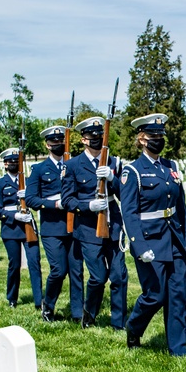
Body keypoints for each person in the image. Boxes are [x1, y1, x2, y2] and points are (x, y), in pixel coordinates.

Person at [120, 114, 186, 356]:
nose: (158, 141)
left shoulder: (171, 167)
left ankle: (178, 349)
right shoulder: (133, 171)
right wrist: (139, 246)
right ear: (142, 140)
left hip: (173, 239)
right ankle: (134, 327)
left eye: (161, 136)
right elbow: (129, 213)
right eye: (153, 137)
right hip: (149, 240)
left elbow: (179, 206)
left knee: (178, 295)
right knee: (155, 295)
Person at [61, 116, 128, 329]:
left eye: (100, 136)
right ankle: (89, 312)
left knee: (118, 275)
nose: (96, 140)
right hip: (88, 227)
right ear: (83, 140)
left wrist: (112, 178)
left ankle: (119, 322)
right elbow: (67, 200)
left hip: (113, 222)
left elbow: (125, 192)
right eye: (92, 137)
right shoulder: (72, 165)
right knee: (99, 277)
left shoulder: (114, 162)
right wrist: (88, 206)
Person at [25, 125, 85, 322]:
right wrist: (55, 203)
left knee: (76, 271)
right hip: (52, 228)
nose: (58, 145)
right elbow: (32, 199)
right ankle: (48, 305)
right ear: (48, 145)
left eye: (61, 142)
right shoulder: (39, 169)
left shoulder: (73, 165)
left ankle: (77, 313)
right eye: (54, 142)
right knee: (58, 270)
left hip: (74, 225)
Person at [0, 147, 44, 309]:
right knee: (14, 264)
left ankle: (38, 300)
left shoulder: (28, 182)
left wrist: (28, 195)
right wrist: (14, 216)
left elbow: (37, 201)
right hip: (11, 228)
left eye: (17, 161)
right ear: (5, 164)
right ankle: (12, 297)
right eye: (11, 162)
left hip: (28, 225)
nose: (14, 164)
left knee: (35, 263)